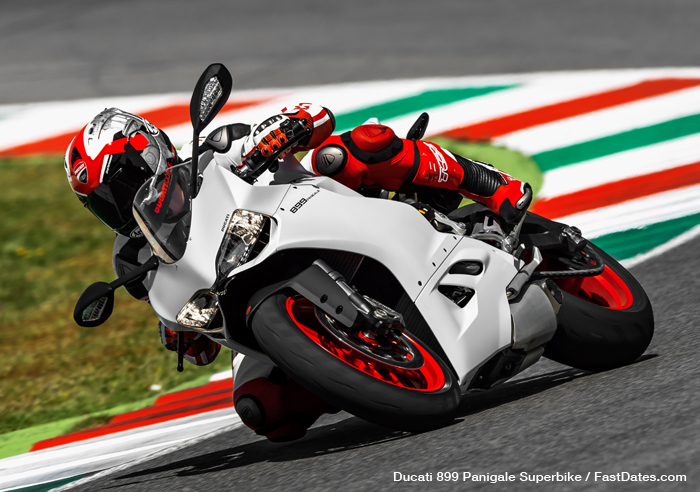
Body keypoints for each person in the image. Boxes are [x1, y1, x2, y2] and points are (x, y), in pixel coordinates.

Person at [64, 103, 531, 441]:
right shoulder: (131, 257)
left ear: (147, 150)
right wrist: (182, 332)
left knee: (352, 151)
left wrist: (284, 128)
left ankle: (489, 184)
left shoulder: (207, 150)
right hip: (241, 290)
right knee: (262, 410)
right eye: (103, 202)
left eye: (123, 179)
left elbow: (317, 115)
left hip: (317, 207)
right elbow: (195, 341)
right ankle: (363, 373)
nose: (119, 203)